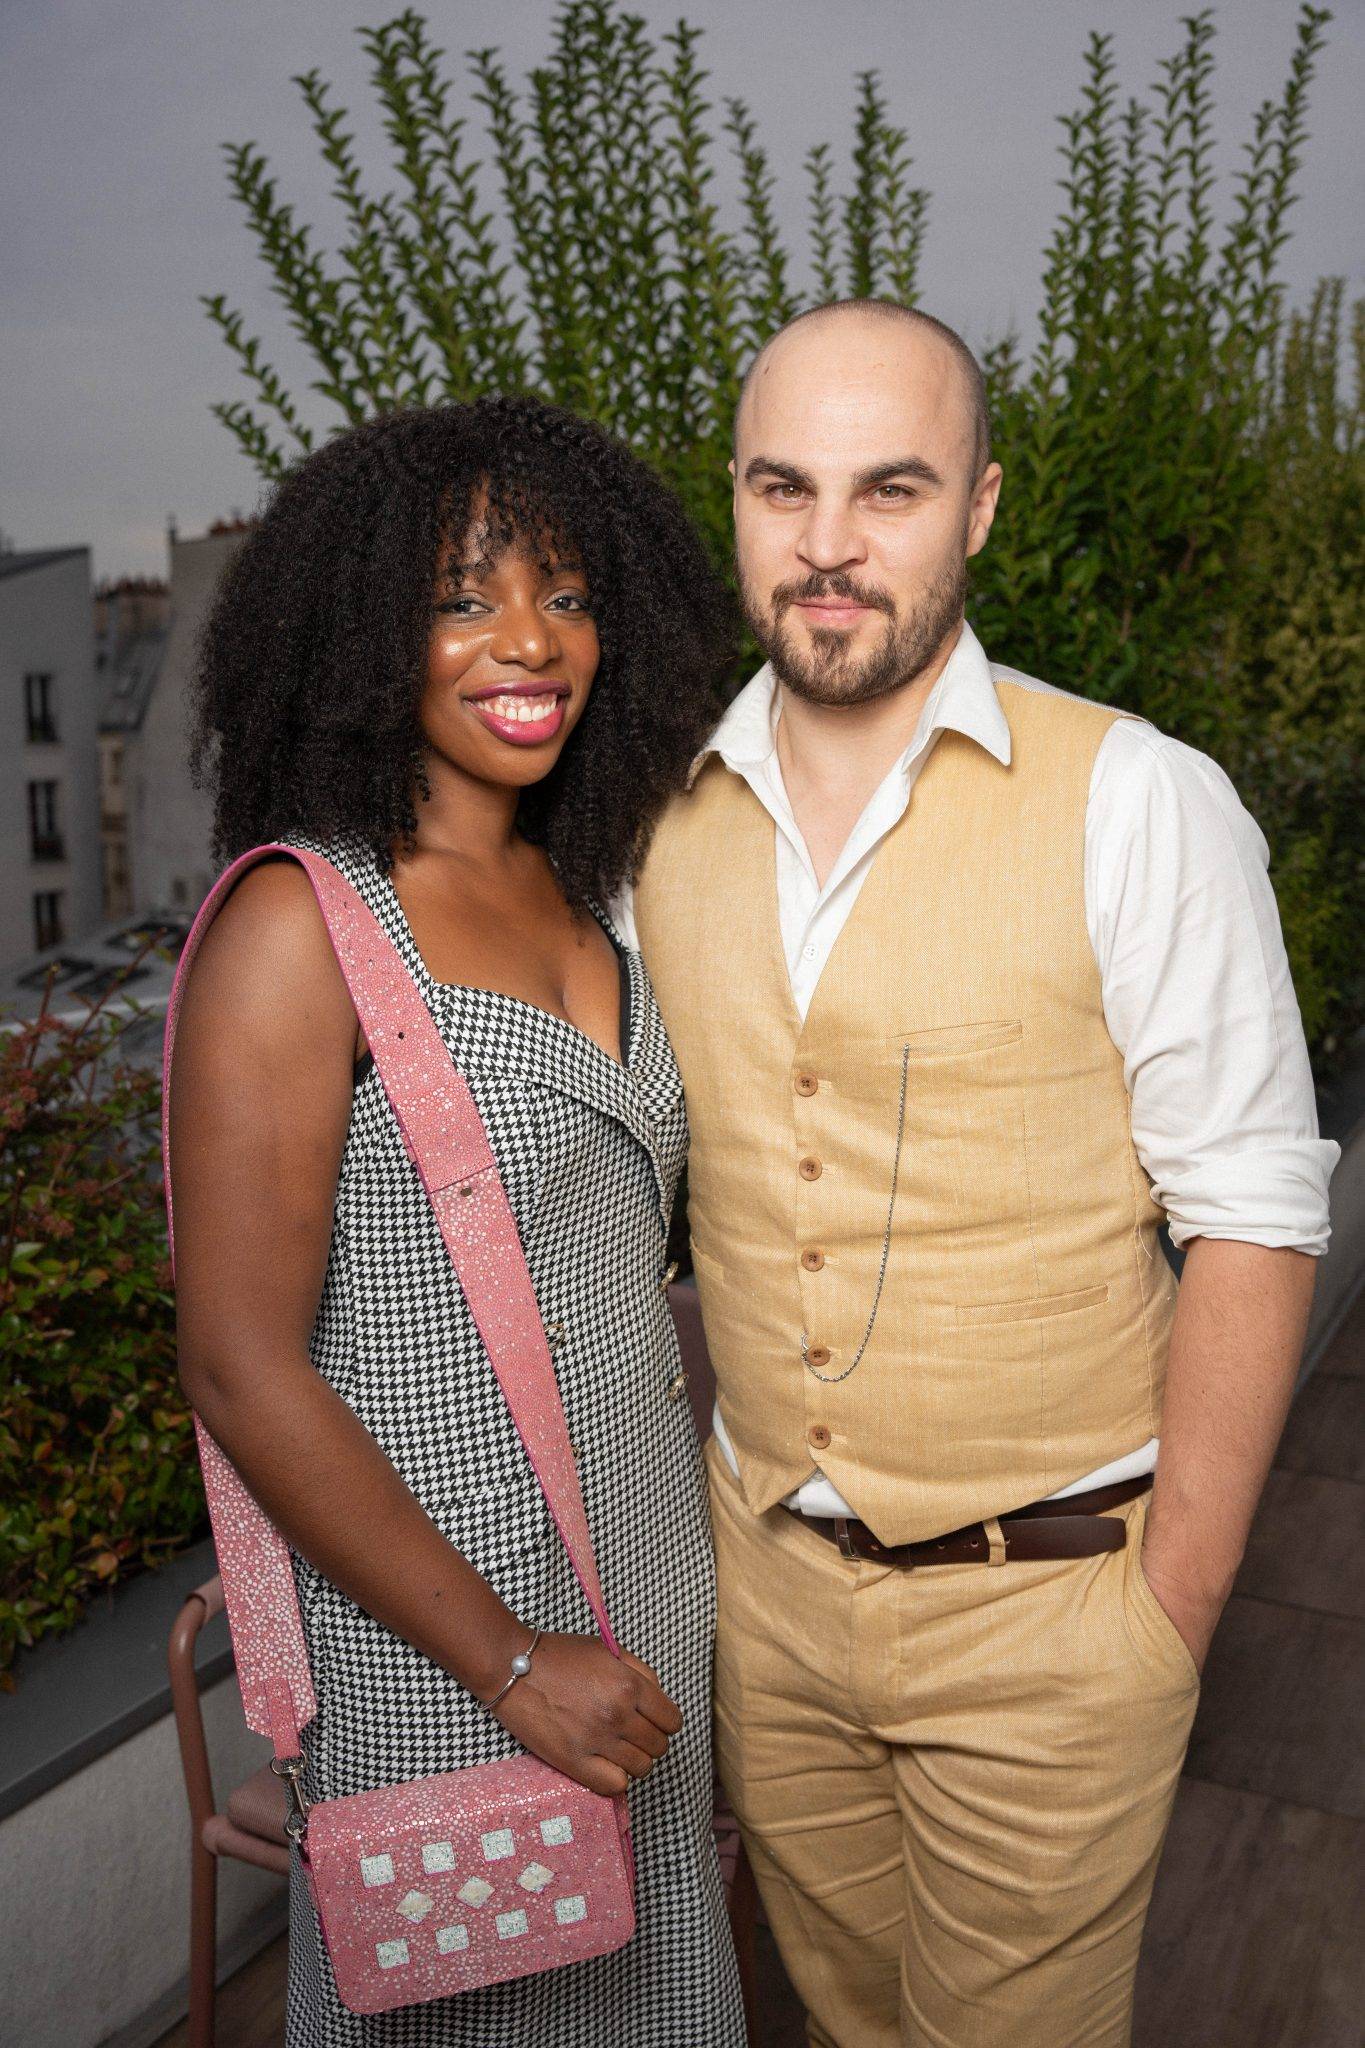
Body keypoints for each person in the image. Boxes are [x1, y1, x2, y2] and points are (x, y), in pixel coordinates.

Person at [627, 300, 1337, 2048]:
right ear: (733, 499)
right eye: (784, 488)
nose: (828, 546)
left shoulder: (1136, 799)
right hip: (768, 1605)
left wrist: (1169, 1610)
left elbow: (1250, 1206)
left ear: (982, 509)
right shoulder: (649, 827)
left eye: (892, 489)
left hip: (1057, 1616)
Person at [168, 397, 746, 2047]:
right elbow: (237, 1366)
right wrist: (505, 1662)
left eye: (566, 592)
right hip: (454, 1647)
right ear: (361, 636)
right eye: (462, 596)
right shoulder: (302, 926)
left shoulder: (588, 896)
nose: (529, 639)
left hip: (643, 1611)